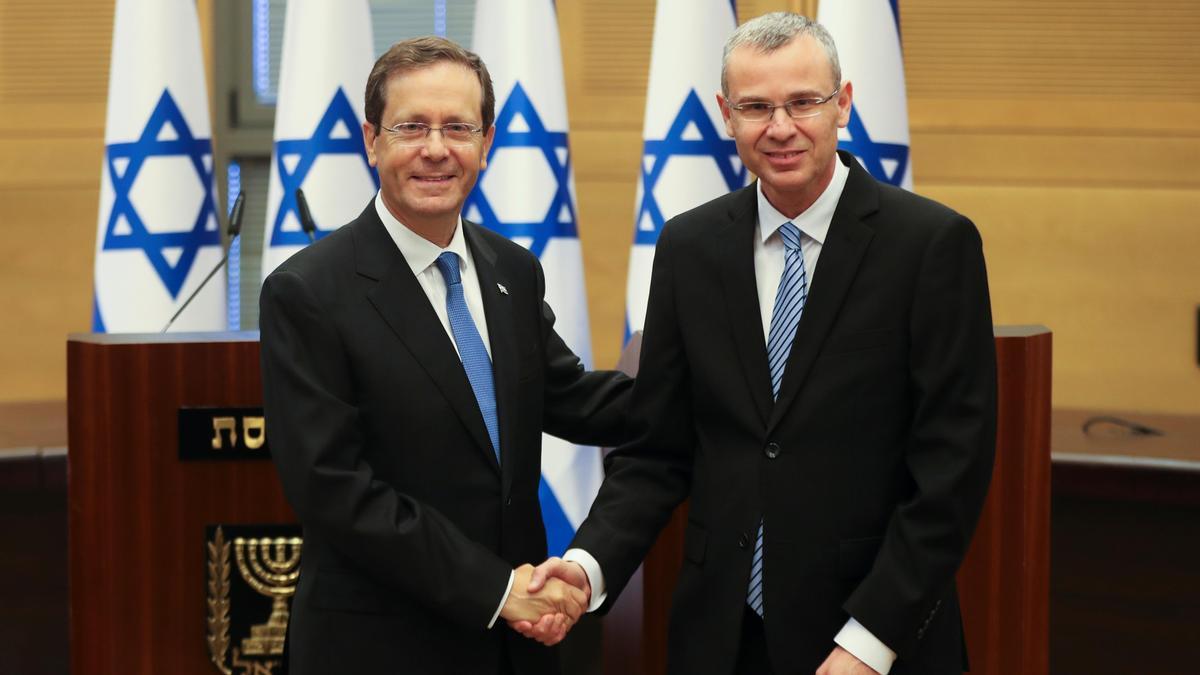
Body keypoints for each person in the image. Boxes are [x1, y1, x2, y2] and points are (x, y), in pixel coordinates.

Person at [518, 12, 997, 675]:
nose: (780, 127)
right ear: (725, 113)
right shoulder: (690, 247)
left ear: (844, 104)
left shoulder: (931, 246)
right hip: (720, 637)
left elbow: (952, 469)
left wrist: (870, 639)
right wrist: (586, 566)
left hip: (874, 640)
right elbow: (657, 448)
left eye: (803, 102)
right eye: (756, 107)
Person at [259, 36, 632, 675]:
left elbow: (572, 399)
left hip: (516, 647)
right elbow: (333, 489)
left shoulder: (511, 269)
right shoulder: (308, 293)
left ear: (486, 143)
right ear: (372, 140)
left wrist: (725, 380)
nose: (437, 149)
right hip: (380, 647)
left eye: (458, 127)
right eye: (412, 127)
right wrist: (494, 589)